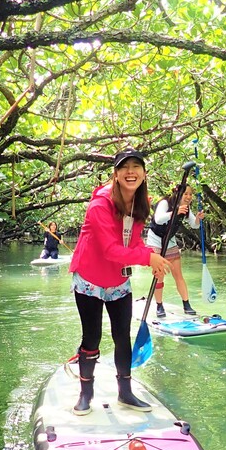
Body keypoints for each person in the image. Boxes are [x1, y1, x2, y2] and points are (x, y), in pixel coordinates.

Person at [68, 147, 171, 415]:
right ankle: (85, 394)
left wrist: (154, 259)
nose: (130, 172)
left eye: (136, 167)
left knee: (122, 336)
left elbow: (134, 243)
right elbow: (110, 250)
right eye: (124, 167)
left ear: (144, 173)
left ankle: (125, 393)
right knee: (92, 337)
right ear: (115, 174)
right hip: (89, 279)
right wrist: (148, 259)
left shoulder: (141, 203)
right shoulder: (100, 205)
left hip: (118, 280)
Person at [146, 183, 204, 318]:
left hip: (170, 241)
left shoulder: (186, 208)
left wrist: (198, 219)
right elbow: (158, 219)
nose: (188, 197)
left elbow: (194, 225)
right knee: (159, 275)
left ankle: (186, 304)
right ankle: (159, 305)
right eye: (185, 194)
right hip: (155, 239)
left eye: (190, 194)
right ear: (178, 194)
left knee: (178, 274)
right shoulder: (165, 203)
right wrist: (175, 212)